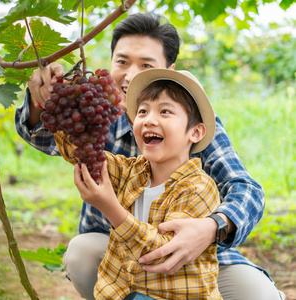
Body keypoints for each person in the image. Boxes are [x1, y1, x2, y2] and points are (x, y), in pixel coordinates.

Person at [15, 12, 285, 300]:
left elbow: (246, 189)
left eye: (146, 65)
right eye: (122, 61)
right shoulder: (98, 116)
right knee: (81, 254)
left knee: (259, 295)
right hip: (116, 253)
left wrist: (211, 227)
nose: (131, 75)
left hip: (192, 262)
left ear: (169, 70)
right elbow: (48, 137)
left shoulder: (194, 126)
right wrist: (44, 100)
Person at [55, 68, 221, 299]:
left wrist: (111, 208)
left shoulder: (198, 188)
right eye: (142, 111)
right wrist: (61, 98)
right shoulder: (130, 171)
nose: (149, 120)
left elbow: (164, 255)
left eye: (165, 111)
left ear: (195, 132)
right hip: (125, 291)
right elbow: (82, 151)